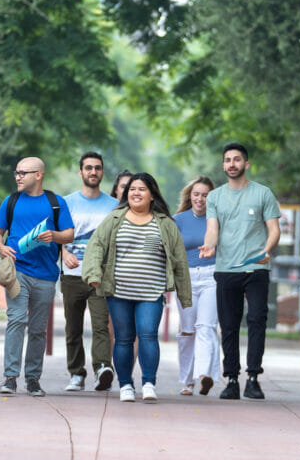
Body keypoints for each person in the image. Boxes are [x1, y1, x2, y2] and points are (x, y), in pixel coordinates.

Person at [83, 173, 191, 402]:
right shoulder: (114, 219)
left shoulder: (165, 223)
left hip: (151, 293)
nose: (136, 193)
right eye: (132, 189)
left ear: (152, 194)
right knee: (123, 338)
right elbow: (96, 246)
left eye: (142, 189)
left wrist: (184, 293)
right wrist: (93, 274)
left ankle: (149, 383)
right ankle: (125, 386)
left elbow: (179, 259)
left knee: (148, 335)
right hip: (118, 291)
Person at [199, 143, 280, 400]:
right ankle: (231, 379)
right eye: (227, 160)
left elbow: (274, 229)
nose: (231, 164)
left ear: (246, 164)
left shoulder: (263, 193)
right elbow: (213, 229)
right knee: (229, 325)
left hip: (256, 268)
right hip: (226, 269)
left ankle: (253, 378)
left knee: (257, 320)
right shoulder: (215, 197)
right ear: (223, 166)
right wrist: (209, 246)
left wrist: (267, 249)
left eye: (236, 160)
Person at [0, 157, 74, 396]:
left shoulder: (56, 202)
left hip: (46, 275)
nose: (17, 177)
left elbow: (69, 234)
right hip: (18, 271)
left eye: (23, 173)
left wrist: (53, 236)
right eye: (16, 172)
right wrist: (1, 247)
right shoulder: (11, 201)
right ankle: (10, 377)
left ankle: (33, 379)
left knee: (38, 329)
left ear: (38, 175)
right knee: (16, 319)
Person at [60, 152, 118, 392]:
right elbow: (56, 235)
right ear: (80, 172)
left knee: (101, 325)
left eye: (97, 168)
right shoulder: (66, 202)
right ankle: (76, 373)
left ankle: (102, 368)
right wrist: (64, 253)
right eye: (88, 168)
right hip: (72, 275)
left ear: (102, 172)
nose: (93, 172)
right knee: (72, 326)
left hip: (100, 277)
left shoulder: (114, 205)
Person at [173, 176, 219, 395]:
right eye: (196, 194)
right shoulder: (178, 220)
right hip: (186, 278)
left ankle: (204, 374)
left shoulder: (217, 220)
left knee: (206, 326)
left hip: (211, 276)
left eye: (206, 195)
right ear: (189, 196)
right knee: (187, 330)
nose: (200, 199)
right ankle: (187, 380)